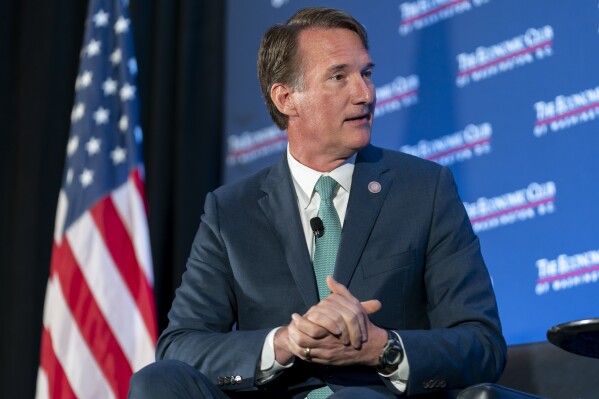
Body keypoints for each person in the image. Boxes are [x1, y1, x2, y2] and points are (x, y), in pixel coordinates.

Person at [129, 7, 506, 399]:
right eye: (339, 77)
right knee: (157, 382)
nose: (365, 94)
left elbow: (482, 344)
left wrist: (383, 348)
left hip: (371, 395)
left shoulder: (424, 189)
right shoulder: (230, 211)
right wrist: (285, 342)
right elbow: (180, 344)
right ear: (287, 97)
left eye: (367, 74)